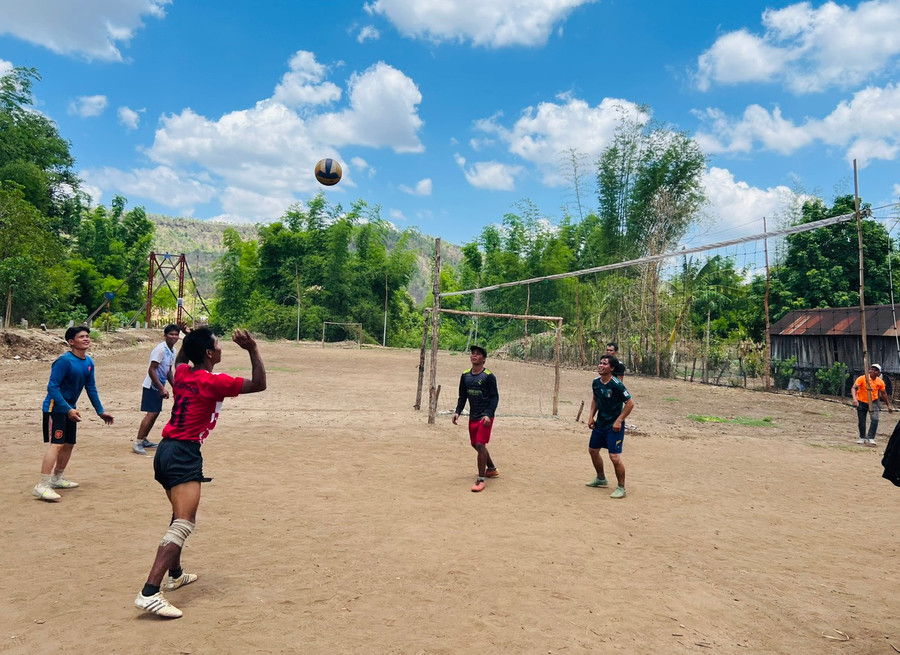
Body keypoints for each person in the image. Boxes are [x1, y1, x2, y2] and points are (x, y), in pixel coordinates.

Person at [134, 327, 266, 618]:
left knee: (178, 515)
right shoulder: (213, 382)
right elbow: (259, 384)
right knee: (184, 522)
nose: (220, 349)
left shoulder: (182, 374)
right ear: (209, 354)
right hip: (183, 453)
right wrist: (252, 349)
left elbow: (182, 359)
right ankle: (149, 592)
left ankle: (175, 574)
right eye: (217, 346)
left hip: (166, 451)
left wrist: (188, 340)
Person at [34, 326, 114, 502]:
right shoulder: (64, 361)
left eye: (87, 336)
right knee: (57, 444)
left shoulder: (88, 362)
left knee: (69, 443)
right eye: (81, 337)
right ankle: (42, 485)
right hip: (55, 408)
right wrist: (67, 409)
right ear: (71, 342)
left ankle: (56, 479)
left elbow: (91, 388)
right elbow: (52, 387)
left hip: (70, 408)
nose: (86, 339)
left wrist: (100, 411)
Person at [452, 345, 499, 493]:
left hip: (485, 417)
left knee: (480, 444)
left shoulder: (489, 376)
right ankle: (491, 468)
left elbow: (495, 397)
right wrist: (458, 411)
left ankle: (480, 479)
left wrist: (489, 414)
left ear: (483, 359)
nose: (474, 356)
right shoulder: (465, 375)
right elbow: (463, 396)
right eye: (473, 353)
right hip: (473, 416)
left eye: (478, 354)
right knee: (476, 445)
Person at [586, 354, 634, 499]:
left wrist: (619, 420)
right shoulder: (596, 382)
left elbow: (630, 403)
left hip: (614, 426)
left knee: (614, 457)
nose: (601, 366)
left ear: (612, 368)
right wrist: (591, 416)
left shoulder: (616, 384)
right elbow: (595, 399)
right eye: (600, 363)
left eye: (605, 364)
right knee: (593, 451)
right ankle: (601, 478)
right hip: (600, 423)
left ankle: (621, 487)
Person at [133, 324, 181, 455]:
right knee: (152, 413)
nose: (174, 337)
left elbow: (168, 371)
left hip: (159, 385)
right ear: (165, 335)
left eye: (176, 334)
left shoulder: (172, 351)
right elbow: (151, 369)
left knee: (155, 412)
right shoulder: (160, 349)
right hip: (152, 386)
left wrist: (175, 387)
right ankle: (137, 442)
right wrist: (161, 388)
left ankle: (144, 439)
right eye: (171, 334)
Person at [851, 364, 893, 446]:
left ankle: (871, 438)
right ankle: (862, 437)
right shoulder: (862, 378)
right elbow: (854, 388)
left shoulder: (880, 382)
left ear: (879, 373)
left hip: (874, 402)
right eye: (872, 369)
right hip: (861, 401)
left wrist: (888, 405)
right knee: (862, 420)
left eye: (875, 370)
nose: (873, 371)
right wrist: (855, 399)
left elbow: (883, 393)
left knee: (875, 419)